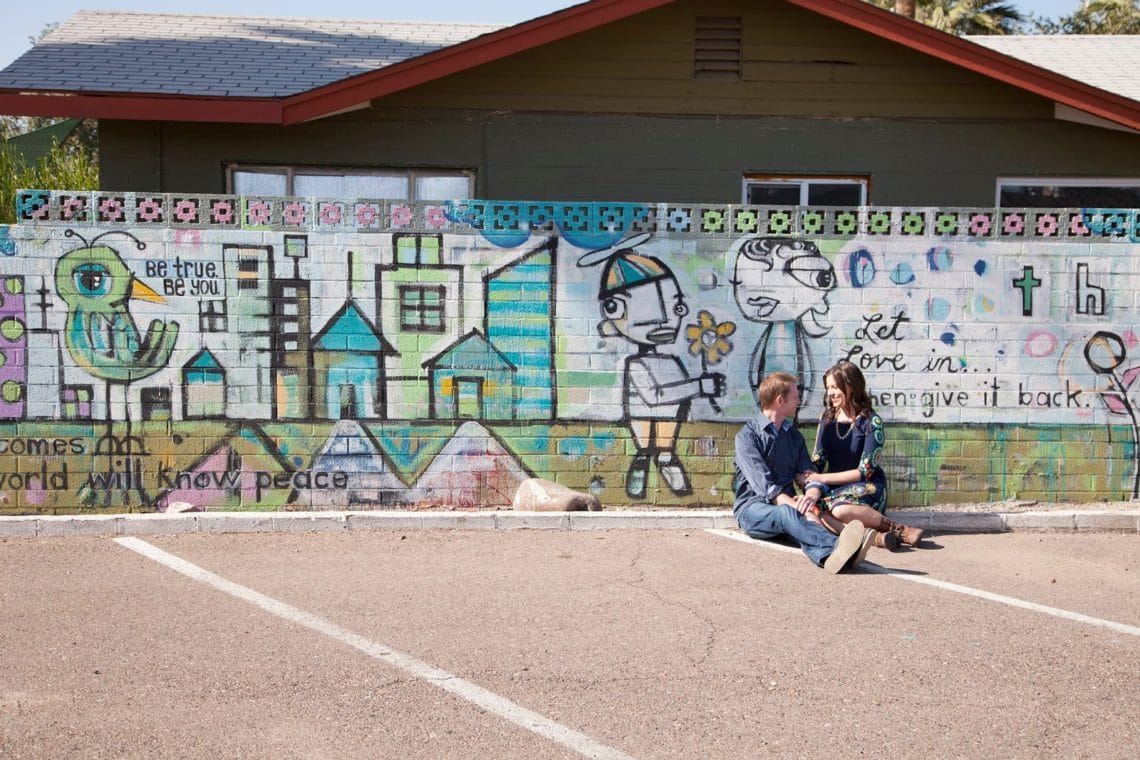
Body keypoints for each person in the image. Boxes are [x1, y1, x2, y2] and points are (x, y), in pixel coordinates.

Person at [733, 371, 877, 573]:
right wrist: (795, 505)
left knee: (805, 524)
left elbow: (810, 476)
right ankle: (837, 545)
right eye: (795, 397)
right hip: (752, 509)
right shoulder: (747, 438)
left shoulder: (795, 438)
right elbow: (765, 487)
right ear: (780, 400)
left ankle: (830, 557)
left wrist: (810, 496)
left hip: (790, 511)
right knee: (789, 513)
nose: (799, 401)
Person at [798, 361, 923, 549]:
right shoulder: (827, 419)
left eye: (835, 387)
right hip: (834, 490)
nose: (830, 393)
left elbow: (864, 472)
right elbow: (819, 458)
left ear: (851, 386)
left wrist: (821, 477)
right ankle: (877, 539)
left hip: (867, 488)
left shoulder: (872, 422)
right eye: (828, 388)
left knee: (839, 510)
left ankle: (897, 529)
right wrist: (807, 476)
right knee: (817, 512)